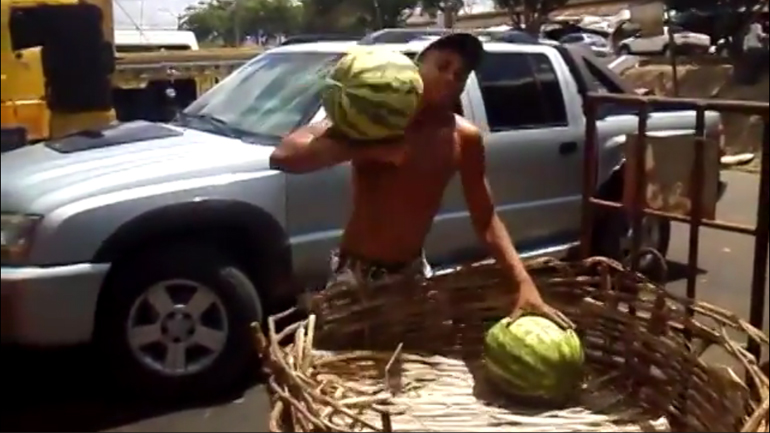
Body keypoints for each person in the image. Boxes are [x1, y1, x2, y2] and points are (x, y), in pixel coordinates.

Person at [270, 34, 571, 327]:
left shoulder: (463, 138)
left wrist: (523, 282)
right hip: (355, 274)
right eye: (443, 66)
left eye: (461, 74)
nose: (452, 78)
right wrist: (370, 149)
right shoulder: (375, 123)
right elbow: (284, 156)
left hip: (411, 276)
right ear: (416, 67)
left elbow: (486, 218)